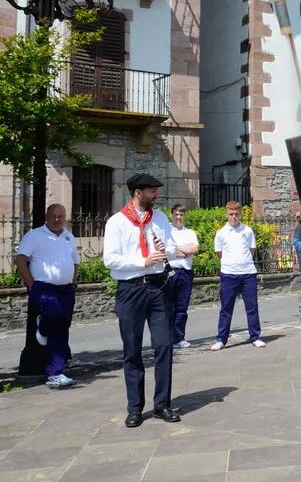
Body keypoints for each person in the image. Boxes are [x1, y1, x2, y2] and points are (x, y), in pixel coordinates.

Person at [103, 174, 180, 428]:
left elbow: (172, 247)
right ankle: (135, 408)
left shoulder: (160, 218)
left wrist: (164, 249)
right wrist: (142, 262)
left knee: (164, 345)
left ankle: (162, 405)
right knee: (132, 349)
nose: (156, 195)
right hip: (131, 289)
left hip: (159, 286)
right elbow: (110, 260)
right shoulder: (117, 222)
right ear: (138, 192)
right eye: (152, 191)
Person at [14, 204, 80, 388]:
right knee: (54, 315)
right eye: (53, 216)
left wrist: (74, 281)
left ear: (65, 217)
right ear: (46, 216)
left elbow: (75, 261)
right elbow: (20, 259)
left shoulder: (69, 237)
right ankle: (42, 324)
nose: (57, 219)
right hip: (44, 287)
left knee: (62, 328)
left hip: (66, 289)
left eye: (60, 216)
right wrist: (31, 282)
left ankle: (55, 373)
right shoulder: (34, 235)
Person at [210, 201, 265, 351]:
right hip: (229, 274)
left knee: (252, 307)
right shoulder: (221, 233)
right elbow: (219, 253)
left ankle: (255, 337)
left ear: (240, 214)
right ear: (226, 214)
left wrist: (244, 262)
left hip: (248, 274)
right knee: (226, 308)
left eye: (236, 214)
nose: (234, 217)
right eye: (231, 214)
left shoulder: (247, 231)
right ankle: (221, 339)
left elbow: (252, 250)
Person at [168, 205, 200, 349]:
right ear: (171, 215)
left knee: (182, 308)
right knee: (167, 307)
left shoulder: (190, 232)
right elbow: (164, 250)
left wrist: (175, 248)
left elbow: (195, 249)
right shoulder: (166, 231)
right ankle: (167, 338)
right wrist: (184, 251)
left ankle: (179, 338)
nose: (179, 217)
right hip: (170, 272)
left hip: (185, 272)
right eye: (176, 214)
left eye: (181, 215)